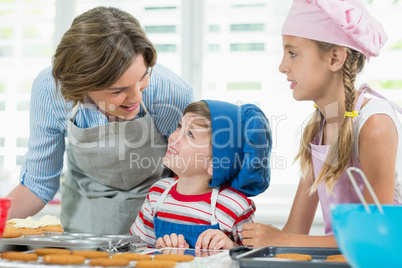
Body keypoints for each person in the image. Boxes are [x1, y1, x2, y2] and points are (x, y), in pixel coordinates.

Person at [5, 6, 193, 234]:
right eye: (118, 90)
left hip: (157, 223)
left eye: (143, 77)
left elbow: (191, 178)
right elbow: (37, 184)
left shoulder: (171, 93)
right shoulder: (50, 90)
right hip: (85, 221)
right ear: (82, 85)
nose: (136, 97)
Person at [242, 0, 402, 248]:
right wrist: (236, 242)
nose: (282, 66)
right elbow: (295, 230)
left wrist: (283, 239)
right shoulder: (318, 130)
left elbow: (376, 237)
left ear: (335, 58)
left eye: (293, 53)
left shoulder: (374, 124)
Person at [130, 100, 272, 249]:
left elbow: (250, 259)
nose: (173, 137)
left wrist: (231, 247)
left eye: (190, 134)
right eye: (179, 126)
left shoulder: (234, 206)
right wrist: (157, 249)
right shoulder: (157, 194)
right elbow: (137, 249)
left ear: (215, 164)